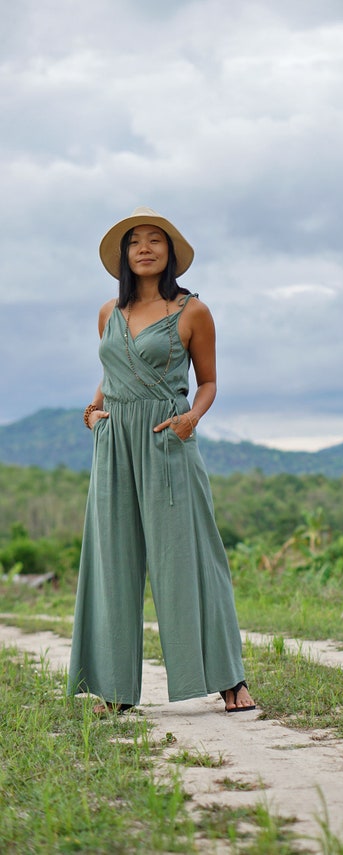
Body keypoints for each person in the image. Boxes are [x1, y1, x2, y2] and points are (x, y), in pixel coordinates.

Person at [68, 206, 255, 715]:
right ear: (124, 255)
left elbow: (208, 381)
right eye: (135, 241)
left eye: (155, 239)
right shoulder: (109, 313)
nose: (145, 248)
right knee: (112, 560)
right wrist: (93, 411)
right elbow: (114, 370)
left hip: (166, 439)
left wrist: (192, 417)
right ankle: (113, 688)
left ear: (170, 251)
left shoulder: (192, 311)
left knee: (190, 555)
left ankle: (229, 679)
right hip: (114, 445)